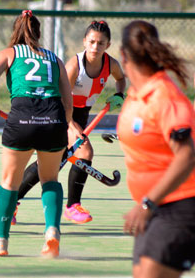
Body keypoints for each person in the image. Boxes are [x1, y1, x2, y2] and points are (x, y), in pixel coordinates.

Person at [0, 10, 81, 257]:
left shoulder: (8, 53)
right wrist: (60, 125)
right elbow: (68, 103)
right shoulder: (55, 59)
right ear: (38, 33)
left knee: (9, 182)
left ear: (15, 31)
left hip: (21, 119)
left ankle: (1, 241)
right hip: (53, 119)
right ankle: (52, 232)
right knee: (50, 179)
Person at [14, 20, 126, 224]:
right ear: (84, 41)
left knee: (50, 162)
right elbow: (58, 97)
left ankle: (13, 201)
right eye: (91, 42)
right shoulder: (75, 65)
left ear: (108, 45)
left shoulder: (111, 64)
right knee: (84, 151)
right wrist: (71, 125)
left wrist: (119, 94)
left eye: (101, 43)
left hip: (81, 115)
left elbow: (120, 78)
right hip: (59, 111)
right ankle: (73, 206)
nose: (95, 47)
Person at [117, 20, 195, 278]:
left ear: (123, 55)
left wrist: (148, 203)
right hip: (153, 207)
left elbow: (187, 155)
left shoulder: (164, 96)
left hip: (181, 205)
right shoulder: (136, 94)